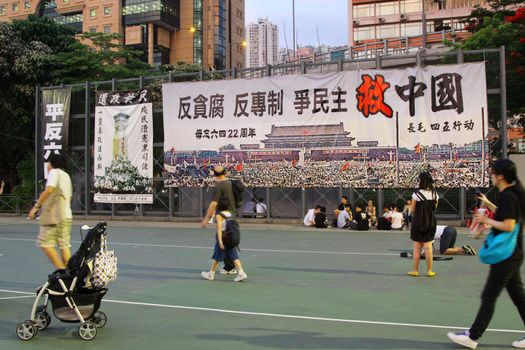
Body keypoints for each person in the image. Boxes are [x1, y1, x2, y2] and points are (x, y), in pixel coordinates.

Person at [447, 159, 525, 349]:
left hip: (505, 256)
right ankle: (472, 336)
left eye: (492, 172)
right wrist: (488, 204)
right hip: (512, 254)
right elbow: (505, 214)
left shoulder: (508, 196)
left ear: (500, 176)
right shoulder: (511, 193)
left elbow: (509, 225)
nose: (490, 175)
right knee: (519, 298)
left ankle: (472, 337)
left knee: (489, 296)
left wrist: (485, 220)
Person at [27, 155, 73, 269]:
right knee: (64, 246)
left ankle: (61, 272)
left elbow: (49, 190)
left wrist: (36, 207)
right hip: (67, 215)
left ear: (52, 164)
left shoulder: (53, 172)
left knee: (45, 243)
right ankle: (71, 275)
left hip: (55, 216)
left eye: (48, 163)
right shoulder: (66, 176)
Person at [201, 166, 238, 275]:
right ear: (225, 173)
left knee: (221, 242)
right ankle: (230, 267)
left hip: (223, 217)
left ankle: (213, 272)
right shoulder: (230, 183)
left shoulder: (220, 185)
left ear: (215, 175)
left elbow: (213, 203)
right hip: (232, 215)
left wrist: (206, 219)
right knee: (227, 241)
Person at [201, 197, 247, 282]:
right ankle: (241, 273)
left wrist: (220, 242)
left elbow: (219, 229)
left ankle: (211, 274)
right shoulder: (231, 214)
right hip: (231, 238)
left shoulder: (219, 215)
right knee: (234, 256)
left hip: (224, 238)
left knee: (216, 257)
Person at [408, 171, 439, 277]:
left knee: (417, 248)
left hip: (417, 222)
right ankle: (429, 271)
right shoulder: (435, 194)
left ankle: (415, 271)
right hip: (430, 222)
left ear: (421, 181)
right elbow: (434, 208)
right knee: (428, 247)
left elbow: (412, 210)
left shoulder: (416, 194)